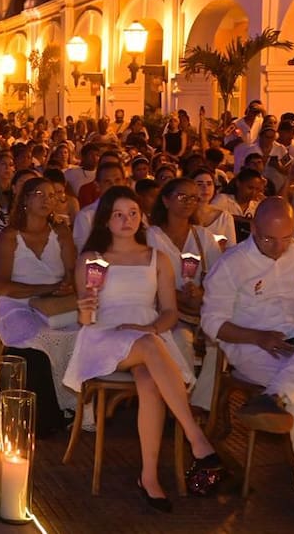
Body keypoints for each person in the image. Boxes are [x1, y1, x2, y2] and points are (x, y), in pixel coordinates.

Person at [63, 186, 221, 511]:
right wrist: (85, 308)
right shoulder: (92, 259)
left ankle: (149, 477)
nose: (127, 220)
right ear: (105, 220)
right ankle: (197, 439)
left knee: (149, 381)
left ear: (142, 216)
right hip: (105, 336)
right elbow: (87, 319)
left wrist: (150, 328)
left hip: (148, 336)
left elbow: (170, 312)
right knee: (149, 346)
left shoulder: (156, 258)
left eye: (133, 213)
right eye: (118, 214)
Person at [201, 197, 294, 528]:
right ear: (253, 228)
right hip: (253, 347)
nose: (279, 247)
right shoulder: (232, 264)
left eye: (287, 238)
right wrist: (258, 337)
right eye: (269, 239)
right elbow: (212, 323)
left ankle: (274, 396)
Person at [0, 176, 77, 434]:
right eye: (39, 194)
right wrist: (43, 289)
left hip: (54, 304)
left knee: (80, 333)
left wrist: (66, 287)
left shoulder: (61, 233)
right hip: (16, 304)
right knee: (35, 336)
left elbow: (72, 273)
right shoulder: (11, 236)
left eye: (51, 195)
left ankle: (72, 405)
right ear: (25, 200)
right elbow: (0, 286)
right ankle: (43, 413)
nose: (46, 200)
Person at [146, 178, 222, 411]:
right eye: (182, 196)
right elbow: (144, 280)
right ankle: (179, 401)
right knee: (181, 339)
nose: (189, 202)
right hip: (162, 310)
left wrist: (201, 292)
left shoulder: (203, 237)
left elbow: (219, 280)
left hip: (197, 310)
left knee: (219, 344)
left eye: (193, 198)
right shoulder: (151, 237)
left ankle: (199, 404)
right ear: (166, 200)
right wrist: (175, 297)